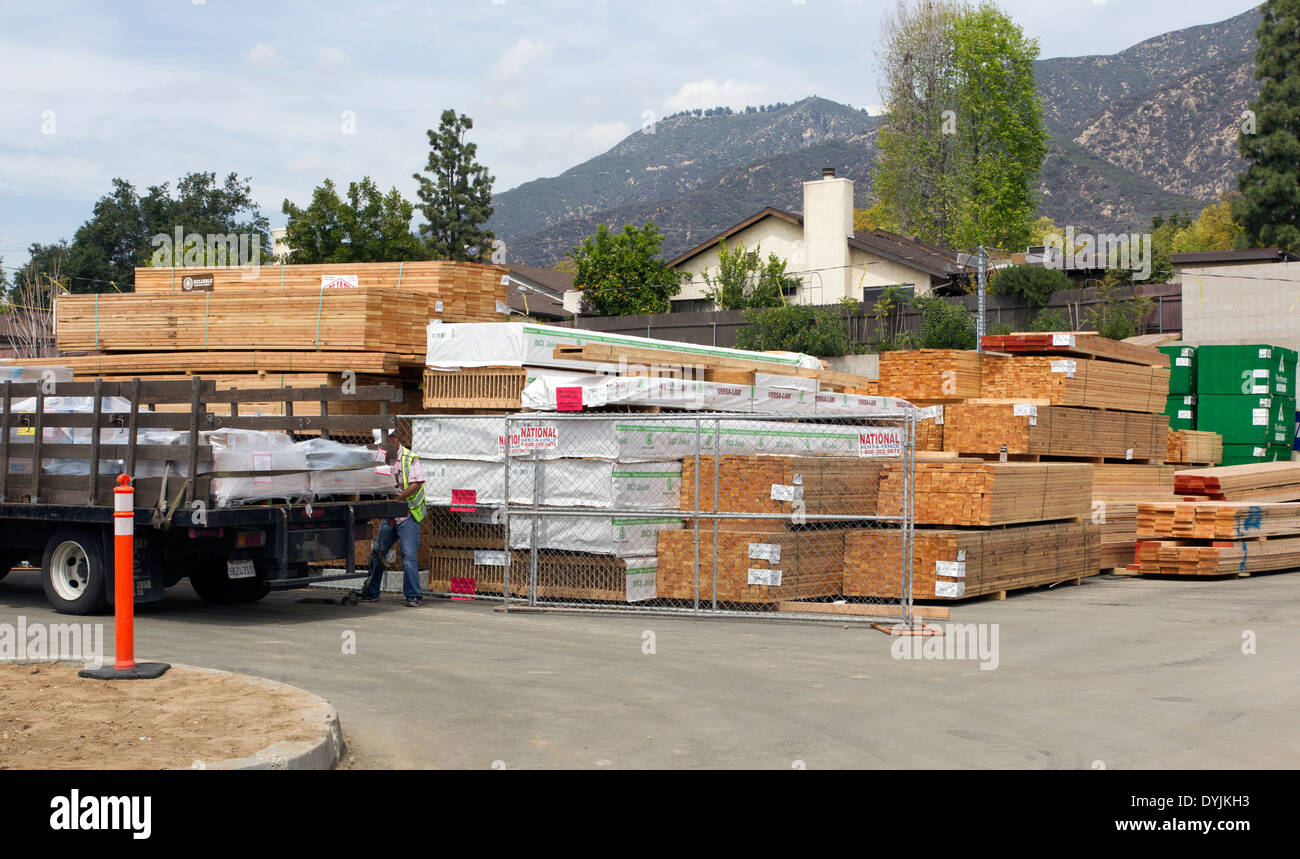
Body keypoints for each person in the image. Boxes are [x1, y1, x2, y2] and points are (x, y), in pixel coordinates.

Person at [361, 433, 426, 607]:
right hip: (390, 517)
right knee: (377, 552)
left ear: (394, 440)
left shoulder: (410, 458)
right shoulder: (383, 457)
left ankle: (413, 595)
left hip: (408, 515)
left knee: (408, 556)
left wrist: (398, 499)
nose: (382, 448)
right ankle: (371, 592)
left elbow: (416, 483)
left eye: (384, 444)